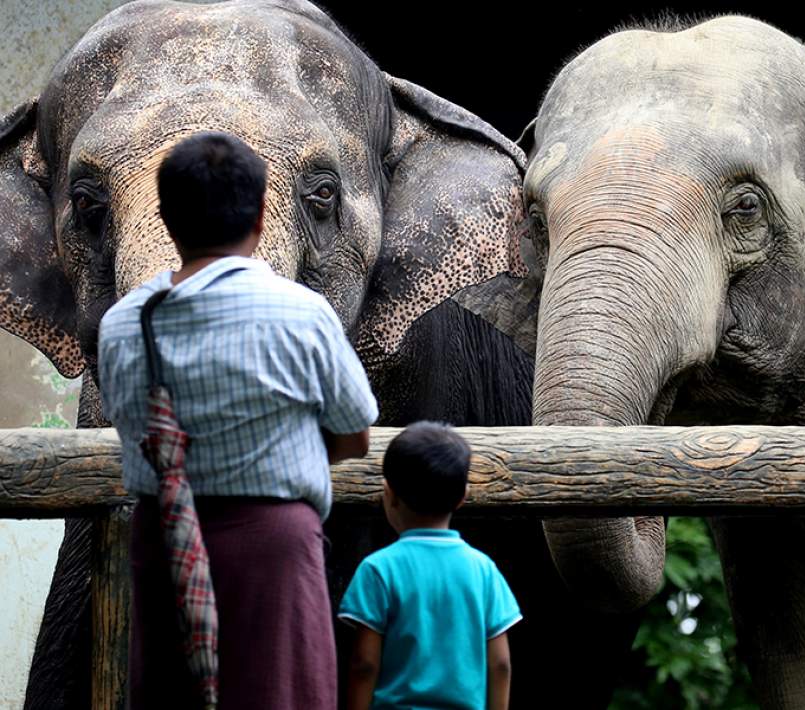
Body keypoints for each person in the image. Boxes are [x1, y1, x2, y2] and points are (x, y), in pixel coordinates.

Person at [97, 132, 378, 709]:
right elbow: (355, 435)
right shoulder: (303, 313)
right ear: (261, 216)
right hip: (274, 545)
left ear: (165, 220)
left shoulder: (122, 323)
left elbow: (135, 430)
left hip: (164, 538)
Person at [339, 422, 521, 710]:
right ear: (462, 497)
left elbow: (364, 664)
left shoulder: (377, 569)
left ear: (389, 494)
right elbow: (500, 664)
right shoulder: (484, 569)